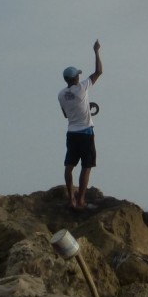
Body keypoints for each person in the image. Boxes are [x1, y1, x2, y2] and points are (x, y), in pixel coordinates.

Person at [58, 39, 102, 210]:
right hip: (85, 133)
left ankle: (71, 200)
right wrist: (96, 51)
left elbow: (65, 114)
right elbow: (99, 71)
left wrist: (83, 108)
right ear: (75, 78)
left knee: (69, 166)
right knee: (87, 165)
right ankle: (81, 200)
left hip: (71, 133)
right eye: (78, 75)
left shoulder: (61, 94)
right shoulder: (82, 88)